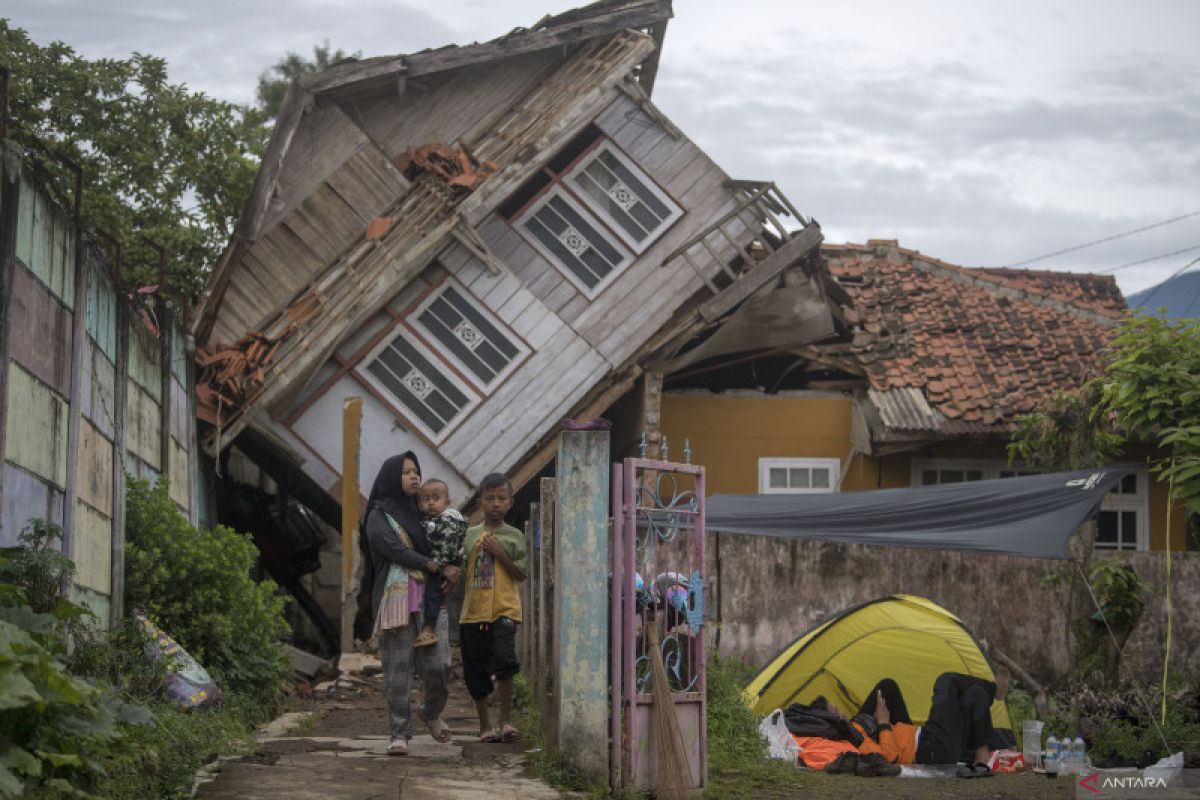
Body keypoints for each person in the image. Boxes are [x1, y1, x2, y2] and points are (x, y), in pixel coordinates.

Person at [363, 452, 460, 755]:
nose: (414, 476)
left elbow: (448, 548)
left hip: (430, 600)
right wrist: (434, 565)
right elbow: (393, 549)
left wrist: (453, 569)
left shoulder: (426, 514)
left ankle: (430, 711)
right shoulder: (379, 514)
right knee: (398, 671)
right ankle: (399, 733)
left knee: (440, 665)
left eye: (416, 471)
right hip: (396, 599)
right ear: (392, 476)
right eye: (406, 472)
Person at [459, 472, 527, 743]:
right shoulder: (469, 535)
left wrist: (499, 552)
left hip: (505, 609)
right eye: (490, 499)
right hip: (473, 611)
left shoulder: (514, 536)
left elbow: (520, 574)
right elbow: (460, 568)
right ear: (480, 502)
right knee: (476, 671)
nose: (496, 504)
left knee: (505, 662)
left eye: (501, 498)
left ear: (510, 502)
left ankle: (505, 721)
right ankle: (485, 726)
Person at [849, 667, 1012, 779]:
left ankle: (982, 753)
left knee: (974, 694)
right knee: (945, 680)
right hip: (929, 751)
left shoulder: (853, 729)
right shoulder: (851, 740)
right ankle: (993, 689)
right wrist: (884, 724)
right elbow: (886, 759)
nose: (839, 711)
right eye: (834, 710)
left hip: (925, 739)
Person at [412, 479, 467, 649]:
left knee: (432, 594)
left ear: (447, 502)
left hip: (445, 564)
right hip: (440, 564)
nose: (430, 503)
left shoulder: (447, 521)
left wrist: (439, 564)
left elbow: (450, 547)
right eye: (426, 499)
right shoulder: (431, 520)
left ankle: (429, 629)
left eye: (436, 498)